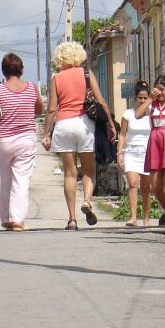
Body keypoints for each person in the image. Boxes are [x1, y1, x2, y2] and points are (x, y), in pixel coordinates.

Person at [41, 41, 115, 230]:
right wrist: (111, 124)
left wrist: (46, 133)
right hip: (84, 124)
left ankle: (72, 219)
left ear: (60, 58)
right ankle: (87, 201)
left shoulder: (56, 78)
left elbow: (51, 109)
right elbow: (102, 102)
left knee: (70, 173)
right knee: (89, 170)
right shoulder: (87, 74)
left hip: (64, 125)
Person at [0, 52, 43, 232]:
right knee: (21, 179)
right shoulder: (31, 87)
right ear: (21, 70)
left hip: (3, 140)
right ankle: (17, 219)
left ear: (3, 71)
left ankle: (7, 218)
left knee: (6, 179)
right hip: (25, 140)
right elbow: (39, 108)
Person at [135, 72, 165, 226]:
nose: (159, 93)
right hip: (155, 141)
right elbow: (138, 114)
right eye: (157, 89)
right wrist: (150, 97)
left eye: (162, 89)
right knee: (155, 185)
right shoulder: (152, 104)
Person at [117, 81, 152, 227]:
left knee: (145, 187)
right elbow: (122, 134)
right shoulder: (128, 114)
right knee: (132, 184)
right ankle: (133, 217)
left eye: (145, 98)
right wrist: (120, 152)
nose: (142, 100)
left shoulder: (152, 114)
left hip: (147, 153)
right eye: (140, 98)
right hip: (131, 152)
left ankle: (146, 218)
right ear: (135, 98)